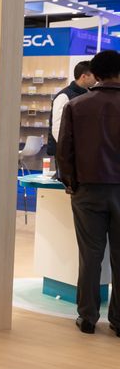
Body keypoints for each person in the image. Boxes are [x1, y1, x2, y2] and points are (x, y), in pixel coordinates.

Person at [56, 50, 120, 336]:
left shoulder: (76, 105)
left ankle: (87, 317)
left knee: (90, 256)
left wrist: (70, 183)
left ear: (94, 74)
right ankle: (119, 321)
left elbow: (64, 150)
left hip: (87, 191)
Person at [48, 61, 95, 158]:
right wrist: (69, 149)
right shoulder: (64, 96)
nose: (97, 79)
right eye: (94, 75)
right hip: (67, 153)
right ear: (84, 76)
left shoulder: (89, 94)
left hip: (83, 150)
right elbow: (57, 129)